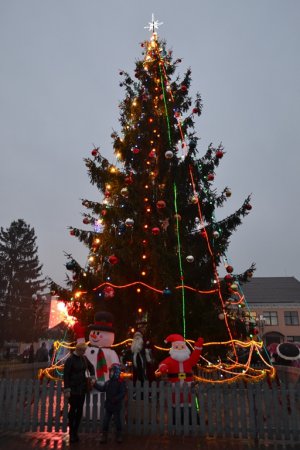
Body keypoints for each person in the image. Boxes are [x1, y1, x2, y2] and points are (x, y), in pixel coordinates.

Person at [63, 342, 96, 443]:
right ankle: (71, 431)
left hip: (82, 388)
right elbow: (66, 375)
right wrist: (67, 389)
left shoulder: (84, 358)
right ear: (79, 350)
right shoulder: (70, 360)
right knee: (73, 409)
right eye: (83, 350)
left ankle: (75, 431)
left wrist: (92, 377)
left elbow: (91, 367)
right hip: (73, 389)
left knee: (80, 410)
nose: (84, 352)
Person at [94, 363, 126, 444]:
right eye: (110, 372)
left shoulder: (120, 382)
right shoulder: (108, 382)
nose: (110, 373)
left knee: (117, 420)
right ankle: (104, 435)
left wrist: (116, 399)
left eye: (112, 371)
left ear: (116, 372)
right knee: (106, 421)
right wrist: (94, 384)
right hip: (108, 405)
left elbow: (122, 393)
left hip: (116, 405)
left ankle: (119, 435)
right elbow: (102, 388)